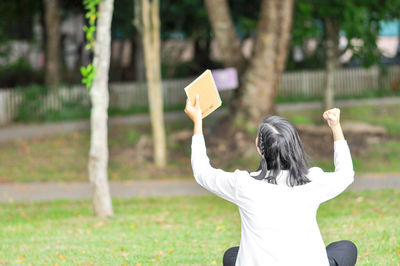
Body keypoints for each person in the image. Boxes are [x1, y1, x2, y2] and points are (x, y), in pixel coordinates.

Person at [184, 94, 358, 266]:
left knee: (232, 255)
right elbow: (346, 174)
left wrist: (197, 122)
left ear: (260, 149)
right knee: (345, 248)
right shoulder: (313, 180)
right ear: (295, 145)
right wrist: (335, 127)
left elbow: (202, 172)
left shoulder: (243, 184)